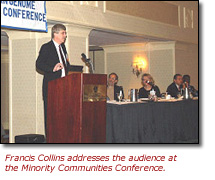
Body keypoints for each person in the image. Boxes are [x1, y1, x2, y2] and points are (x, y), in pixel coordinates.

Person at [36, 24, 71, 136]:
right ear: (55, 33)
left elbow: (66, 64)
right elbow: (39, 64)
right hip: (52, 88)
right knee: (51, 116)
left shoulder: (63, 48)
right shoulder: (46, 47)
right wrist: (52, 68)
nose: (65, 36)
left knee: (63, 116)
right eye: (63, 33)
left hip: (64, 87)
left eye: (65, 33)